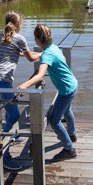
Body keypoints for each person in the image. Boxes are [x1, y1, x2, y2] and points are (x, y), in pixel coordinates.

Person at [0, 11, 40, 170]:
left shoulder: (1, 35)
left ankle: (12, 135)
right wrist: (43, 53)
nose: (22, 24)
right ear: (17, 24)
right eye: (21, 22)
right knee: (16, 115)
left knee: (10, 111)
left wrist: (33, 54)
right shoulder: (19, 38)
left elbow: (14, 52)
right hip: (3, 81)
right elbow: (31, 58)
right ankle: (4, 153)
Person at [18, 24, 78, 162]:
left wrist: (25, 85)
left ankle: (70, 149)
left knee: (54, 120)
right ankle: (72, 135)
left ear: (37, 40)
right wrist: (22, 54)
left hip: (66, 90)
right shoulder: (53, 48)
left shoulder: (47, 54)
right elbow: (56, 58)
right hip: (72, 84)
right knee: (67, 110)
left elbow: (40, 76)